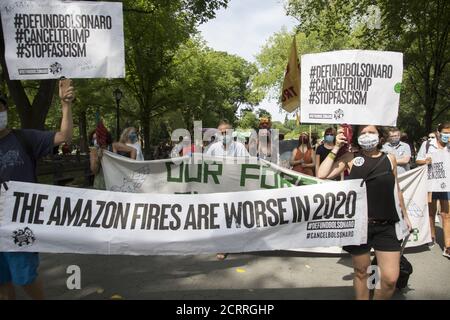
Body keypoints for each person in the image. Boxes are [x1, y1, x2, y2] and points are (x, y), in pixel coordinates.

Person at [318, 125, 412, 300]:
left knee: (390, 279)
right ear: (356, 137)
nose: (367, 135)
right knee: (363, 272)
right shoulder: (351, 158)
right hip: (359, 227)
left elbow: (397, 190)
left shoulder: (390, 159)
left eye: (371, 132)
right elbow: (322, 174)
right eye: (363, 132)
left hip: (387, 226)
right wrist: (337, 147)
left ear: (380, 136)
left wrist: (405, 216)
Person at [0, 79, 75, 300]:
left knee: (25, 277)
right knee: (2, 283)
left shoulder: (23, 138)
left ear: (6, 110)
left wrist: (66, 105)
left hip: (20, 223)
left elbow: (64, 137)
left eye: (0, 107)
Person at [205, 119, 248, 261]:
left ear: (231, 132)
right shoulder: (213, 148)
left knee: (234, 216)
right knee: (220, 217)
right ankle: (222, 246)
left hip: (235, 188)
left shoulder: (239, 147)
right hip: (218, 189)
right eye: (221, 132)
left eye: (226, 132)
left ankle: (233, 243)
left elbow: (248, 164)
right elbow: (203, 163)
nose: (224, 134)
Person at [416, 123, 450, 257]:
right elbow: (418, 160)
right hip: (430, 183)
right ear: (438, 132)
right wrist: (426, 161)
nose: (447, 136)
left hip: (446, 184)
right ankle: (431, 235)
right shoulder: (428, 144)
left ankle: (448, 246)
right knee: (431, 212)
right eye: (445, 133)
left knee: (446, 214)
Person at [90, 122, 136, 189]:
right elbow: (94, 171)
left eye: (97, 138)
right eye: (93, 139)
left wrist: (131, 166)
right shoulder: (93, 151)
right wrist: (98, 158)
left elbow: (133, 150)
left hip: (115, 182)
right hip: (101, 185)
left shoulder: (113, 146)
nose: (95, 141)